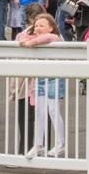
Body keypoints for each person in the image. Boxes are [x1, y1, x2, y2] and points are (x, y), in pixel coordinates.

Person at [18, 13, 65, 159]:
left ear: (51, 28)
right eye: (36, 25)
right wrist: (27, 39)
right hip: (40, 79)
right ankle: (38, 144)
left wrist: (30, 42)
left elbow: (47, 38)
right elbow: (23, 38)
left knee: (53, 110)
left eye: (42, 26)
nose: (38, 28)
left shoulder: (54, 38)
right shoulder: (36, 39)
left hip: (53, 79)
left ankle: (61, 143)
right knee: (40, 112)